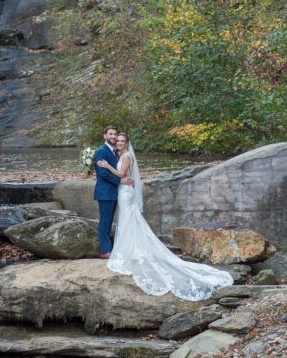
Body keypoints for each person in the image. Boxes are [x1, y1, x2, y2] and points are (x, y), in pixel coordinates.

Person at [97, 132, 233, 300]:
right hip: (124, 191)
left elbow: (121, 175)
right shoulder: (120, 154)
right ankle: (130, 249)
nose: (119, 142)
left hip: (125, 193)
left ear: (127, 143)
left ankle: (129, 251)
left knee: (127, 221)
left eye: (122, 141)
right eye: (117, 140)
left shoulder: (126, 156)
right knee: (128, 221)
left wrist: (107, 166)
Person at [93, 125, 128, 257]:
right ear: (105, 136)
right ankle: (105, 250)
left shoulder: (116, 152)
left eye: (115, 134)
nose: (113, 136)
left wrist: (125, 178)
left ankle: (109, 247)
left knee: (108, 221)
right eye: (110, 134)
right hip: (105, 192)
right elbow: (103, 173)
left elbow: (118, 170)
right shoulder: (102, 151)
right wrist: (120, 181)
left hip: (113, 192)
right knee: (105, 221)